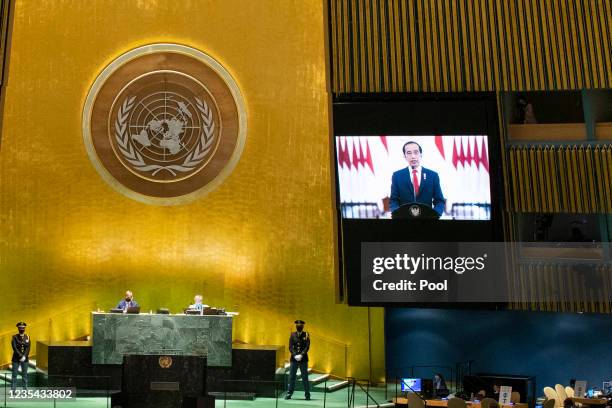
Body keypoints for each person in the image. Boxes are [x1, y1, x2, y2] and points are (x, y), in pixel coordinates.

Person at [389, 141, 445, 215]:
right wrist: (397, 214)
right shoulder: (397, 176)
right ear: (404, 156)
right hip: (404, 219)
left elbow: (439, 201)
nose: (413, 156)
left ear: (421, 154)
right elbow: (393, 201)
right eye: (409, 153)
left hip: (427, 219)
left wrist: (435, 215)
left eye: (416, 152)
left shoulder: (433, 175)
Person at [285, 319, 310, 400]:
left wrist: (301, 355)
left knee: (305, 377)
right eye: (297, 325)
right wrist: (295, 355)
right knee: (291, 377)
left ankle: (307, 394)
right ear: (296, 326)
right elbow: (290, 346)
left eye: (300, 325)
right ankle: (289, 393)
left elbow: (307, 346)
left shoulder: (306, 334)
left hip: (303, 359)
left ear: (303, 326)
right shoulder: (292, 335)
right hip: (294, 359)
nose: (299, 326)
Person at [11, 322, 30, 391]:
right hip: (16, 358)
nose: (22, 329)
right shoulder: (14, 337)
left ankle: (25, 390)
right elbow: (14, 347)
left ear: (24, 328)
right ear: (18, 328)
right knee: (14, 375)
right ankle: (13, 390)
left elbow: (28, 347)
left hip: (25, 359)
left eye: (23, 328)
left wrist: (24, 356)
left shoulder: (27, 336)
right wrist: (21, 356)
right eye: (20, 328)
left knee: (25, 375)